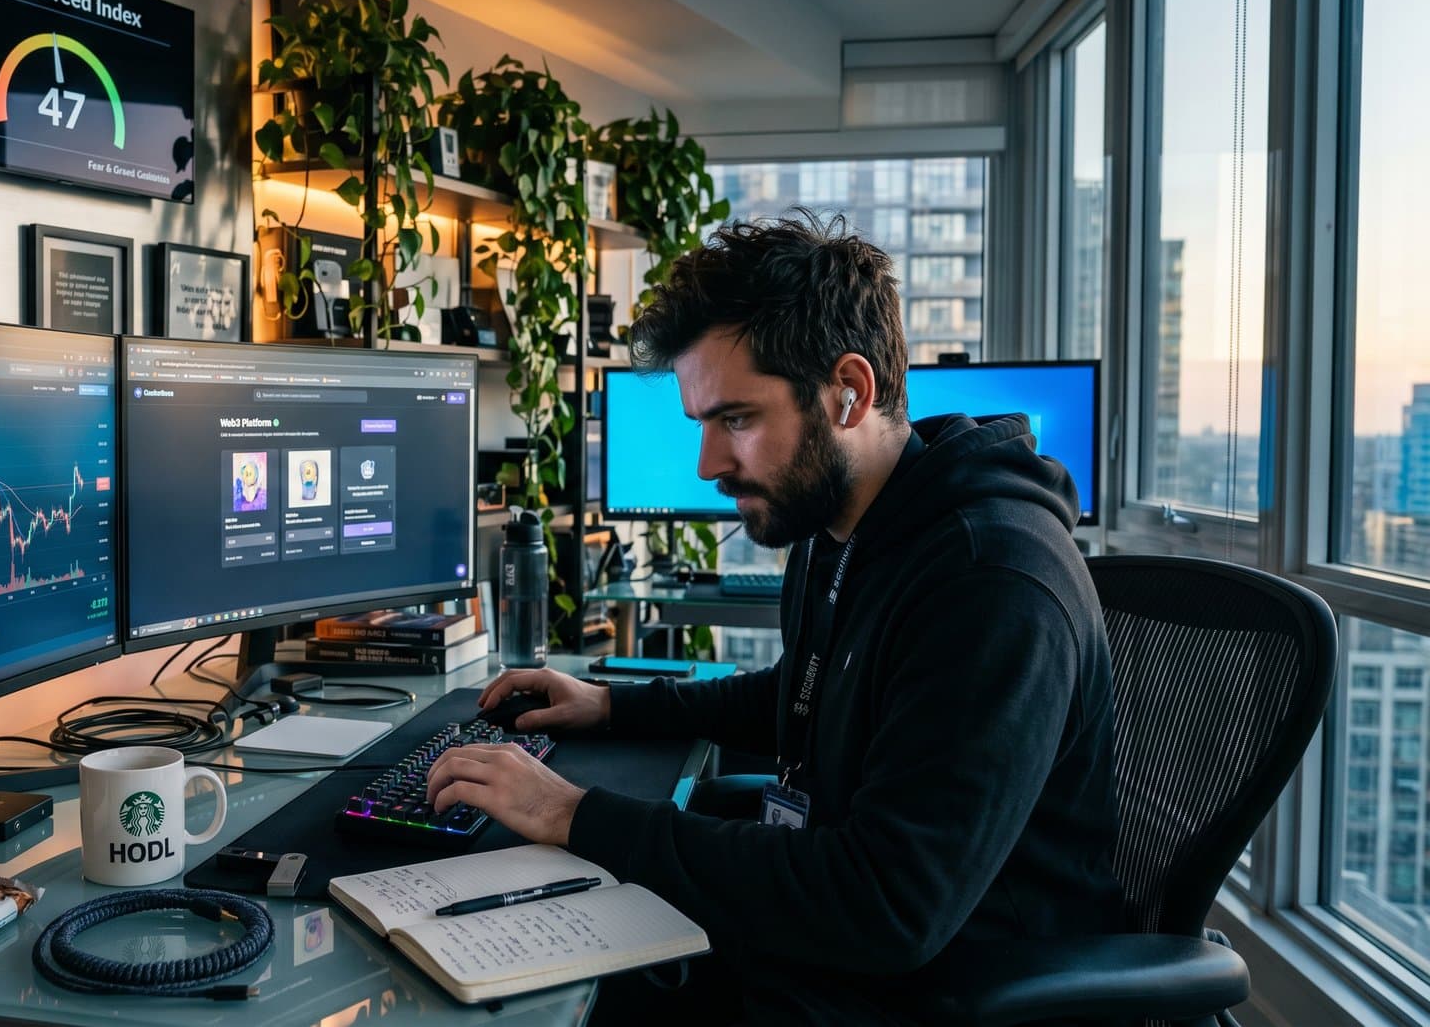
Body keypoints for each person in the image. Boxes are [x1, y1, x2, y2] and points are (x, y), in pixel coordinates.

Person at [426, 212, 1122, 1024]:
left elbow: (886, 906)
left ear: (849, 392)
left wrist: (571, 812)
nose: (708, 465)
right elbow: (807, 690)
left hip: (938, 987)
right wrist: (614, 703)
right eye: (703, 424)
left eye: (738, 419)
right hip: (842, 944)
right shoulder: (845, 526)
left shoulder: (992, 580)